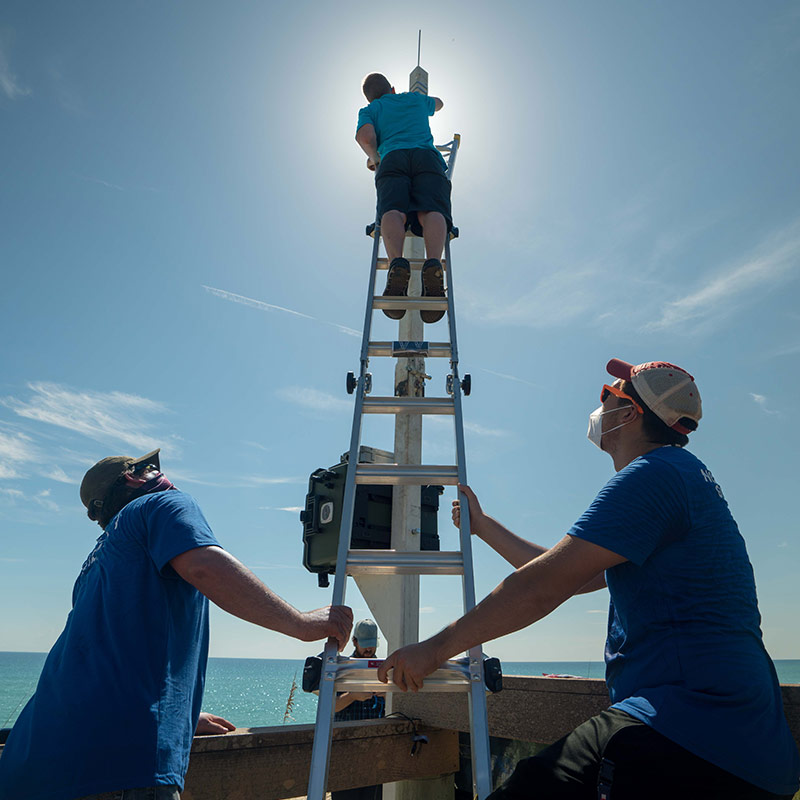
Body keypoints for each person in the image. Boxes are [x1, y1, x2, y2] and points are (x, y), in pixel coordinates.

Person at [377, 359, 800, 800]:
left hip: (686, 731)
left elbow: (543, 587)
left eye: (608, 396)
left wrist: (434, 649)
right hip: (749, 752)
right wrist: (483, 527)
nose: (600, 406)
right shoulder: (682, 477)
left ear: (632, 413)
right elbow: (570, 576)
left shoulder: (654, 475)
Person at [0, 449, 352, 800]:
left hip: (32, 756)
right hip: (118, 762)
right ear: (134, 478)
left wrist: (179, 716)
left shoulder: (97, 560)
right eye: (149, 467)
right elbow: (204, 567)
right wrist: (303, 624)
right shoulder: (161, 505)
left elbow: (103, 653)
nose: (159, 472)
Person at [355, 72, 451, 324]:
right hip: (425, 157)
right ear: (393, 88)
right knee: (431, 210)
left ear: (370, 96)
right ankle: (433, 264)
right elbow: (439, 103)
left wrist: (375, 158)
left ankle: (397, 263)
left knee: (392, 211)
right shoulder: (413, 99)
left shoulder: (370, 110)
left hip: (392, 159)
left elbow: (365, 137)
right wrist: (424, 101)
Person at [331, 619, 385, 800]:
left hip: (376, 752)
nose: (369, 650)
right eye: (365, 646)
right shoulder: (341, 667)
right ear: (354, 642)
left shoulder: (384, 668)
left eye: (372, 646)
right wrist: (352, 696)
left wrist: (388, 695)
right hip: (345, 751)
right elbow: (328, 709)